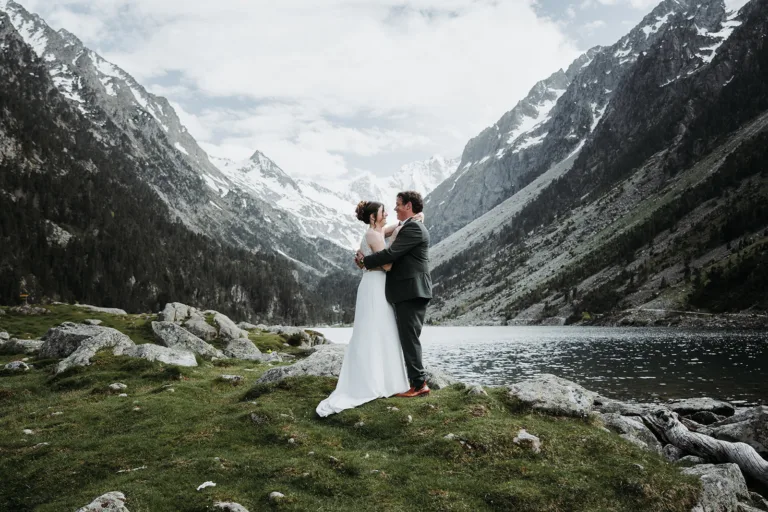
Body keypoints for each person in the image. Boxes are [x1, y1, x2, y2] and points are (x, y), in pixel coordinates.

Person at [315, 200, 421, 417]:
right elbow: (388, 265)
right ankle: (377, 382)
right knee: (377, 330)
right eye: (383, 212)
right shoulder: (374, 235)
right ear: (374, 216)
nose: (387, 214)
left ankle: (381, 379)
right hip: (376, 286)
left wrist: (413, 220)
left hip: (373, 284)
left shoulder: (376, 231)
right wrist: (373, 258)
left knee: (380, 330)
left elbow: (394, 229)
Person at [356, 191, 432, 398]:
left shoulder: (414, 228)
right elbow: (388, 235)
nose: (394, 208)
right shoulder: (409, 225)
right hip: (407, 290)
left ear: (408, 205)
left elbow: (390, 255)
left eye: (398, 204)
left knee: (409, 338)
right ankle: (416, 382)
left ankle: (419, 384)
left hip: (411, 290)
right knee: (408, 337)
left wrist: (365, 262)